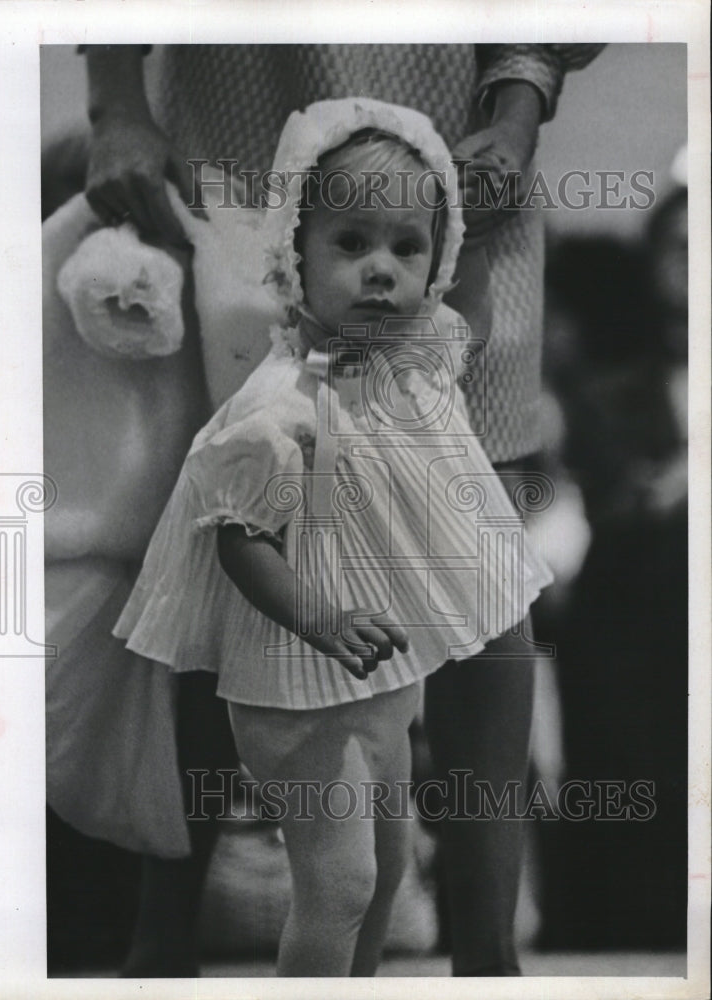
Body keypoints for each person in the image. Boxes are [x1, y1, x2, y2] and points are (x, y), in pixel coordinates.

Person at [70, 42, 603, 976]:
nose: (383, 273)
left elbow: (454, 301)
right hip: (295, 684)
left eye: (406, 252)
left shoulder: (426, 354)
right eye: (351, 248)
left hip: (377, 703)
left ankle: (483, 948)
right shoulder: (269, 414)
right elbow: (233, 542)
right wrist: (116, 99)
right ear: (292, 263)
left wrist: (507, 124)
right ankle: (164, 939)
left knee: (385, 861)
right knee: (342, 882)